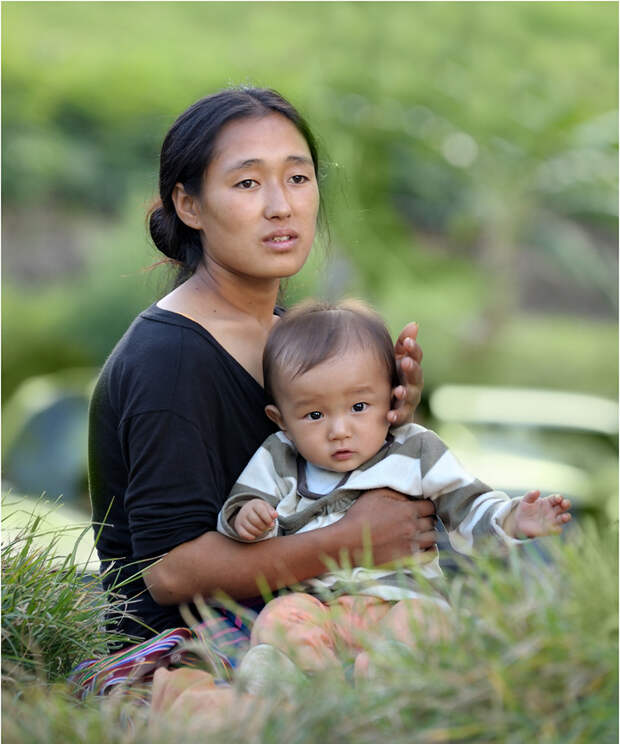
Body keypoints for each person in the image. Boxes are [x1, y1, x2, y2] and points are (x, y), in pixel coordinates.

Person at [86, 87, 433, 660]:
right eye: (248, 183)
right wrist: (350, 541)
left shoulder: (293, 339)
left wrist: (385, 424)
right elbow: (169, 573)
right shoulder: (170, 358)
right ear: (189, 205)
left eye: (297, 178)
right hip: (193, 665)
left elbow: (322, 490)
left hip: (310, 633)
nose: (282, 206)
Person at [216, 300, 572, 677]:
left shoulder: (415, 450)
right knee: (280, 618)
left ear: (392, 397)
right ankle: (299, 681)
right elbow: (243, 504)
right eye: (315, 415)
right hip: (318, 607)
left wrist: (513, 518)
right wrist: (248, 517)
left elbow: (468, 507)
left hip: (402, 602)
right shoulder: (279, 456)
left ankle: (387, 678)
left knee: (426, 622)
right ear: (281, 420)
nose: (340, 430)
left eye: (358, 406)